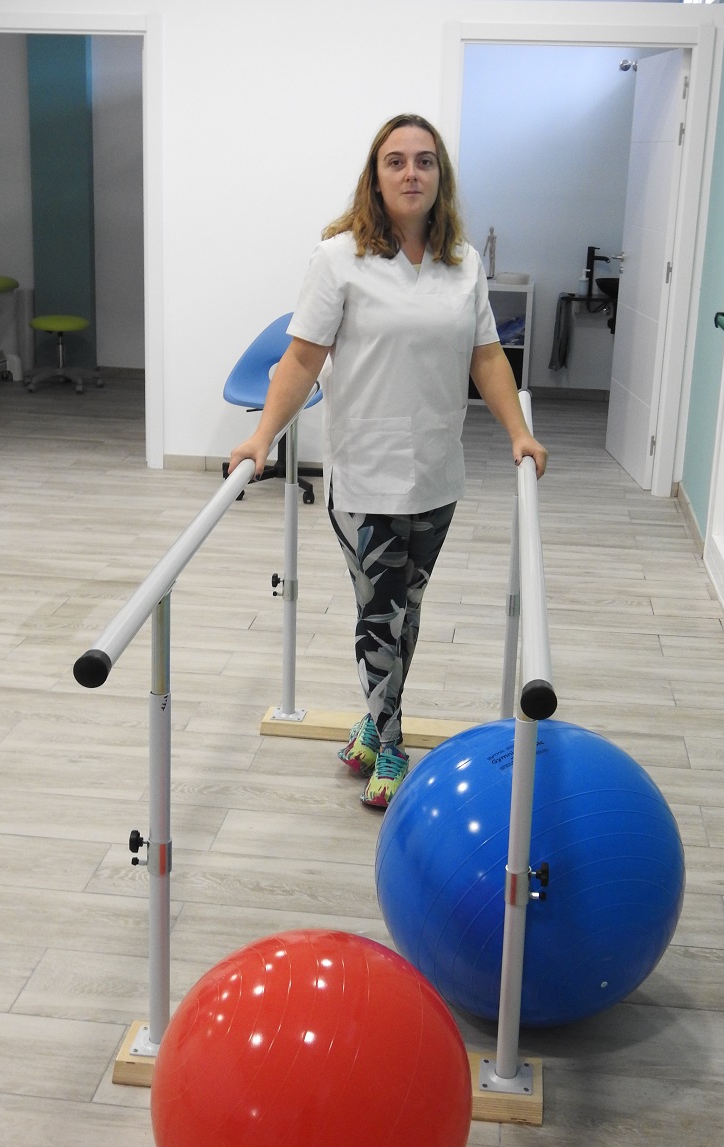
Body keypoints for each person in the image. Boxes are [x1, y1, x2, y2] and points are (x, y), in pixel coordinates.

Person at [229, 113, 547, 809]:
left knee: (408, 610)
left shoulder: (462, 263)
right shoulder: (337, 258)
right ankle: (393, 742)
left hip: (435, 471)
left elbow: (486, 356)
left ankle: (374, 724)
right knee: (380, 614)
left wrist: (518, 434)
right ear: (375, 177)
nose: (411, 173)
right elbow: (302, 360)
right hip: (365, 472)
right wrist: (262, 439)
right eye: (396, 161)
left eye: (424, 161)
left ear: (441, 177)